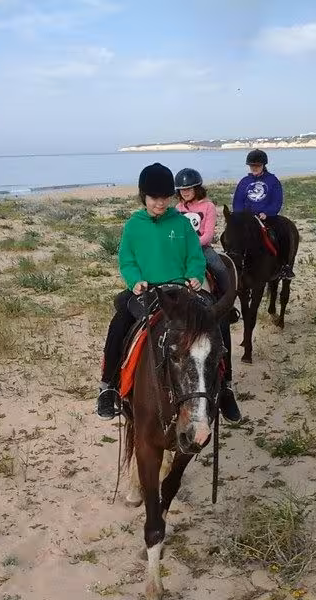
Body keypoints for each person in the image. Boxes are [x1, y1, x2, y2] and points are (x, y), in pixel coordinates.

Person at [97, 162, 241, 423]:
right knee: (119, 323)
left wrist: (196, 276)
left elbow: (195, 256)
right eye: (154, 198)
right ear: (144, 197)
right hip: (149, 290)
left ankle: (226, 385)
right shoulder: (133, 225)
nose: (160, 203)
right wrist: (135, 280)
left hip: (182, 288)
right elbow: (127, 260)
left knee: (216, 324)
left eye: (165, 198)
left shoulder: (181, 223)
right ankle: (108, 386)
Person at [232, 150, 293, 279]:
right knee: (232, 236)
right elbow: (237, 201)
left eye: (257, 165)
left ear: (263, 165)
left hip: (266, 217)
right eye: (252, 165)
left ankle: (284, 265)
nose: (254, 168)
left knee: (283, 231)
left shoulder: (272, 180)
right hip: (247, 218)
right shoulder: (244, 182)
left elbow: (277, 201)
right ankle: (235, 263)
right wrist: (240, 215)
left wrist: (267, 213)